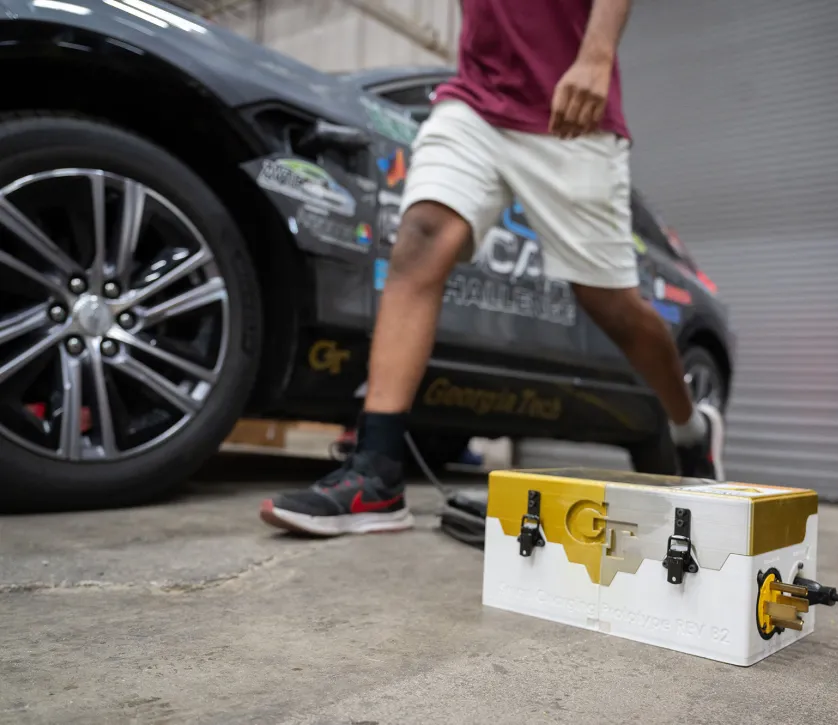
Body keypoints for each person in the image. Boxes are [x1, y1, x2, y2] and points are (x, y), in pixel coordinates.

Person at [259, 0, 726, 537]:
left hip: (569, 109)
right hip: (475, 100)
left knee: (610, 304)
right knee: (420, 238)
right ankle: (376, 472)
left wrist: (597, 56)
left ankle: (689, 429)